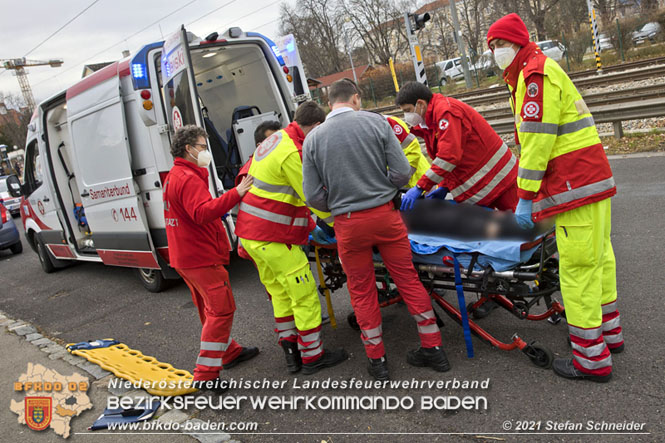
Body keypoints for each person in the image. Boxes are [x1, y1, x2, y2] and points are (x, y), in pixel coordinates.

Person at [487, 13, 623, 382]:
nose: (495, 53)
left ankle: (591, 360)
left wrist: (525, 196)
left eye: (498, 45)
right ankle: (609, 334)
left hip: (571, 188)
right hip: (591, 183)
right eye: (492, 48)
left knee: (577, 271)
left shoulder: (533, 77)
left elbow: (536, 142)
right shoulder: (540, 69)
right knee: (599, 259)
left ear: (515, 43)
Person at [302, 79, 448, 381]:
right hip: (386, 217)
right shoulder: (377, 123)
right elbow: (401, 172)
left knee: (361, 290)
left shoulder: (313, 140)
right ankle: (434, 348)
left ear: (330, 103)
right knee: (407, 279)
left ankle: (377, 359)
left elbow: (313, 195)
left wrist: (340, 202)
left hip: (347, 224)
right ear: (356, 98)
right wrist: (382, 187)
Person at [235, 102, 347, 375]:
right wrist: (338, 224)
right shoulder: (292, 152)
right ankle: (313, 356)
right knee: (305, 294)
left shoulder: (275, 140)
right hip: (274, 236)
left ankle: (291, 352)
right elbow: (312, 197)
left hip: (252, 236)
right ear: (316, 127)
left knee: (282, 295)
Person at [163, 125, 259, 391]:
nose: (206, 151)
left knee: (209, 309)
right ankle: (205, 374)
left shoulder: (176, 175)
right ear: (189, 149)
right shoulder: (189, 178)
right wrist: (235, 194)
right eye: (203, 147)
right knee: (221, 309)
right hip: (199, 256)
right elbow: (202, 213)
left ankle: (228, 352)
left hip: (185, 257)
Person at [395, 81, 518, 212]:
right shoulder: (431, 122)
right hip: (485, 184)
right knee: (499, 229)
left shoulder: (446, 112)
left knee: (524, 225)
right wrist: (444, 186)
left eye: (407, 110)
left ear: (420, 104)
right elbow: (449, 159)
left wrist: (420, 187)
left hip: (501, 180)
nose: (406, 116)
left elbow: (448, 157)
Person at [384, 115, 431, 188]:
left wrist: (402, 177)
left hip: (420, 181)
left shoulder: (387, 122)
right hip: (396, 187)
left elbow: (412, 149)